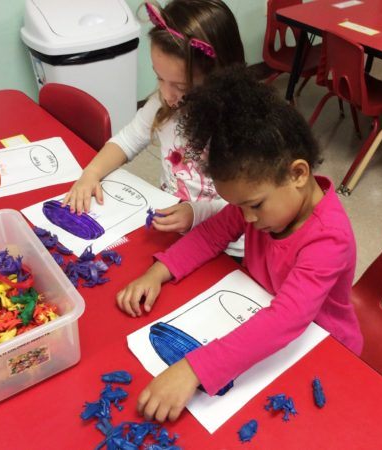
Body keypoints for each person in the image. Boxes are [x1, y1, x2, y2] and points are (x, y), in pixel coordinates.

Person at [116, 68, 363, 423]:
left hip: (322, 346)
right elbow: (211, 234)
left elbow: (286, 320)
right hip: (257, 307)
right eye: (239, 206)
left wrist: (194, 370)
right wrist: (158, 272)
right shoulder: (260, 202)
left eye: (255, 206)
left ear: (298, 174)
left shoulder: (328, 239)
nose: (246, 219)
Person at [62, 0, 245, 257]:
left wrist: (194, 213)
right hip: (173, 227)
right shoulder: (163, 106)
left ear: (221, 76)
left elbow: (247, 203)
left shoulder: (242, 125)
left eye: (181, 87)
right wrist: (91, 173)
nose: (167, 95)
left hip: (229, 245)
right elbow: (127, 140)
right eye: (159, 78)